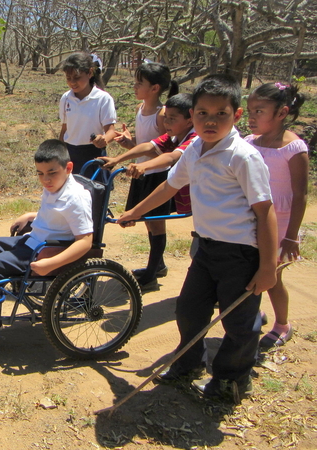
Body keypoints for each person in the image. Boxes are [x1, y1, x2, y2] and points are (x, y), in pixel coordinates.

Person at [118, 74, 278, 402]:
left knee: (239, 323)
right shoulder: (194, 151)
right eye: (203, 113)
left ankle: (230, 380)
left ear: (236, 116)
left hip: (241, 255)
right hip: (205, 248)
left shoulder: (243, 157)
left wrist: (267, 268)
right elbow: (170, 186)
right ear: (192, 116)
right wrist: (136, 211)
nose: (210, 120)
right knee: (189, 310)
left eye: (221, 114)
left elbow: (266, 212)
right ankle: (189, 364)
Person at [0, 139, 94, 338]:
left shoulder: (76, 198)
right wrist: (32, 215)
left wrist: (51, 263)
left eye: (52, 173)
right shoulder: (55, 186)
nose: (45, 180)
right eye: (40, 174)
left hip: (44, 250)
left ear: (68, 168)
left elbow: (85, 241)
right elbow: (55, 215)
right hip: (32, 239)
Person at [100, 93, 197, 267]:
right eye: (165, 118)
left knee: (158, 223)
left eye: (172, 119)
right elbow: (148, 146)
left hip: (206, 199)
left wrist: (145, 166)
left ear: (189, 120)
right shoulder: (175, 135)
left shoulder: (194, 138)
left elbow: (172, 157)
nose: (166, 123)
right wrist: (117, 159)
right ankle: (155, 268)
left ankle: (154, 271)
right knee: (151, 222)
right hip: (191, 194)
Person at [245, 82, 309, 348]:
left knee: (272, 276)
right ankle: (252, 314)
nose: (251, 117)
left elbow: (300, 195)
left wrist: (291, 236)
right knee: (248, 269)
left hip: (280, 221)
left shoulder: (294, 149)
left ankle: (282, 324)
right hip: (251, 217)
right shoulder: (248, 142)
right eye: (249, 110)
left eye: (259, 111)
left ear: (281, 113)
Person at [112, 63, 180, 293]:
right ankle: (157, 265)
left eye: (140, 83)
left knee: (156, 223)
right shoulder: (141, 108)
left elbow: (163, 150)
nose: (135, 86)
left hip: (156, 175)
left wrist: (137, 149)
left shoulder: (162, 115)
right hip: (142, 173)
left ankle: (151, 275)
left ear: (155, 88)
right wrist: (128, 143)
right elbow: (143, 146)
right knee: (149, 223)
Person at [59, 52, 117, 175]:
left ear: (90, 73)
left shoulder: (103, 99)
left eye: (77, 77)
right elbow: (64, 129)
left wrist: (104, 139)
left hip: (94, 155)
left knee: (94, 192)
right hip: (71, 154)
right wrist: (60, 154)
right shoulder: (65, 98)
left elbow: (111, 131)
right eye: (68, 78)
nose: (72, 82)